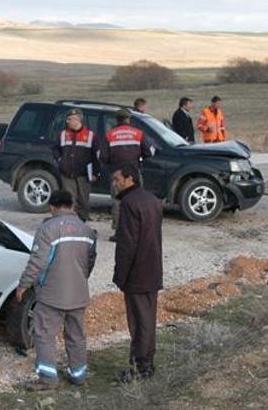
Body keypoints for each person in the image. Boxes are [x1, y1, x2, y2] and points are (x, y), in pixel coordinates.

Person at [16, 190, 97, 390]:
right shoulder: (87, 231)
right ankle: (78, 374)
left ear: (52, 207)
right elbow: (90, 262)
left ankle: (48, 378)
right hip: (78, 294)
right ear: (72, 206)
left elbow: (38, 262)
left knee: (44, 333)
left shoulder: (48, 229)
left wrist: (24, 284)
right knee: (76, 335)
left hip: (52, 295)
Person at [111, 164, 163, 382]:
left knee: (139, 322)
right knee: (147, 319)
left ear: (129, 178)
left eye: (117, 179)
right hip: (152, 269)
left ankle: (141, 368)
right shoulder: (151, 199)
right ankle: (146, 364)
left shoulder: (129, 203)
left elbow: (127, 244)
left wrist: (120, 275)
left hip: (137, 273)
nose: (114, 184)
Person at [101, 109, 154, 241]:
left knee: (118, 202)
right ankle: (138, 230)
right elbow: (149, 152)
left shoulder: (110, 135)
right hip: (134, 173)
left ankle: (119, 233)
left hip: (117, 174)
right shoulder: (138, 134)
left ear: (116, 119)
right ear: (129, 119)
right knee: (137, 201)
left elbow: (102, 156)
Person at [53, 109, 100, 221]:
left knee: (83, 200)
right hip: (67, 174)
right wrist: (60, 160)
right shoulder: (62, 134)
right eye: (67, 119)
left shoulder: (91, 135)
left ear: (78, 119)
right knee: (69, 200)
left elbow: (96, 156)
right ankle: (70, 222)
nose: (67, 121)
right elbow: (55, 149)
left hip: (83, 174)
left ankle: (82, 222)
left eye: (70, 119)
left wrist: (95, 173)